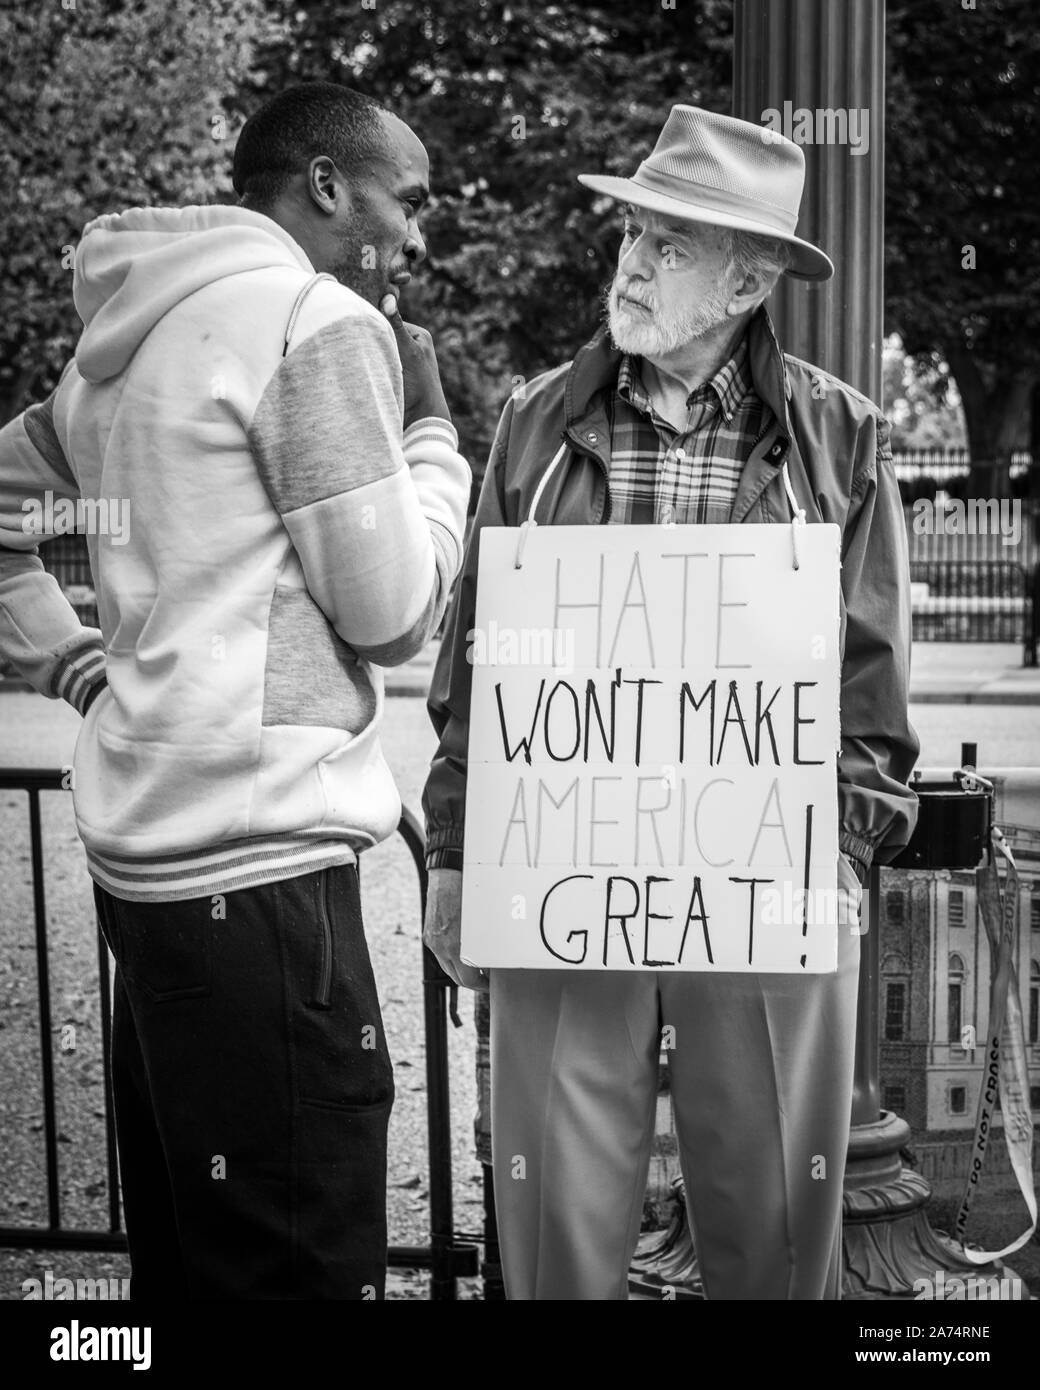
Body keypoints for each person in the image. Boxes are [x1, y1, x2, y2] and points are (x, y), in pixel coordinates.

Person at [422, 104, 919, 1300]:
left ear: (747, 280)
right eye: (631, 234)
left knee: (772, 1213)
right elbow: (478, 659)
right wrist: (452, 852)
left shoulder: (839, 439)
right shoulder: (536, 420)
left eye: (668, 243)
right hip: (560, 869)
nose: (631, 263)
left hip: (768, 870)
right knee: (552, 1217)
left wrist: (843, 850)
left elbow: (868, 681)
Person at [0, 82, 470, 1299]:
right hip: (266, 880)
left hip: (150, 877)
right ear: (327, 186)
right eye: (408, 203)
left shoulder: (122, 349)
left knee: (196, 1250)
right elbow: (394, 611)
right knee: (295, 1257)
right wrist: (431, 440)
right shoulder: (312, 321)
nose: (416, 237)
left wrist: (77, 665)